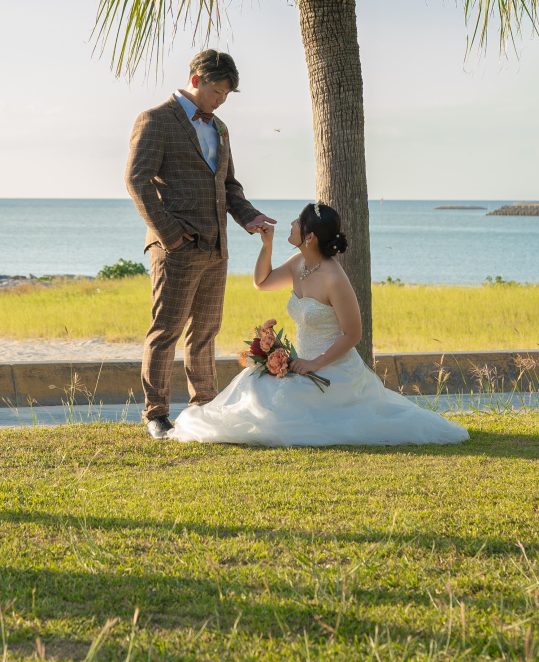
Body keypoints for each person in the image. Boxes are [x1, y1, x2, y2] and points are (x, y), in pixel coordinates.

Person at [170, 203, 469, 446]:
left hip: (333, 371)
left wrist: (315, 363)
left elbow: (354, 334)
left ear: (310, 236)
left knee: (280, 409)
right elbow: (262, 282)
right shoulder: (299, 263)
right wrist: (268, 245)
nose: (291, 224)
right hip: (301, 364)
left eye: (298, 222)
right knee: (254, 384)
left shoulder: (334, 279)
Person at [125, 49, 273, 439]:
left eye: (227, 94)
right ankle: (155, 414)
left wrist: (249, 217)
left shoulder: (220, 128)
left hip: (216, 248)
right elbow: (136, 182)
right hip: (174, 249)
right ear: (196, 80)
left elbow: (228, 185)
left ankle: (202, 409)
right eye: (218, 91)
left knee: (205, 332)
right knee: (166, 331)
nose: (221, 100)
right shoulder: (155, 120)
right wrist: (171, 235)